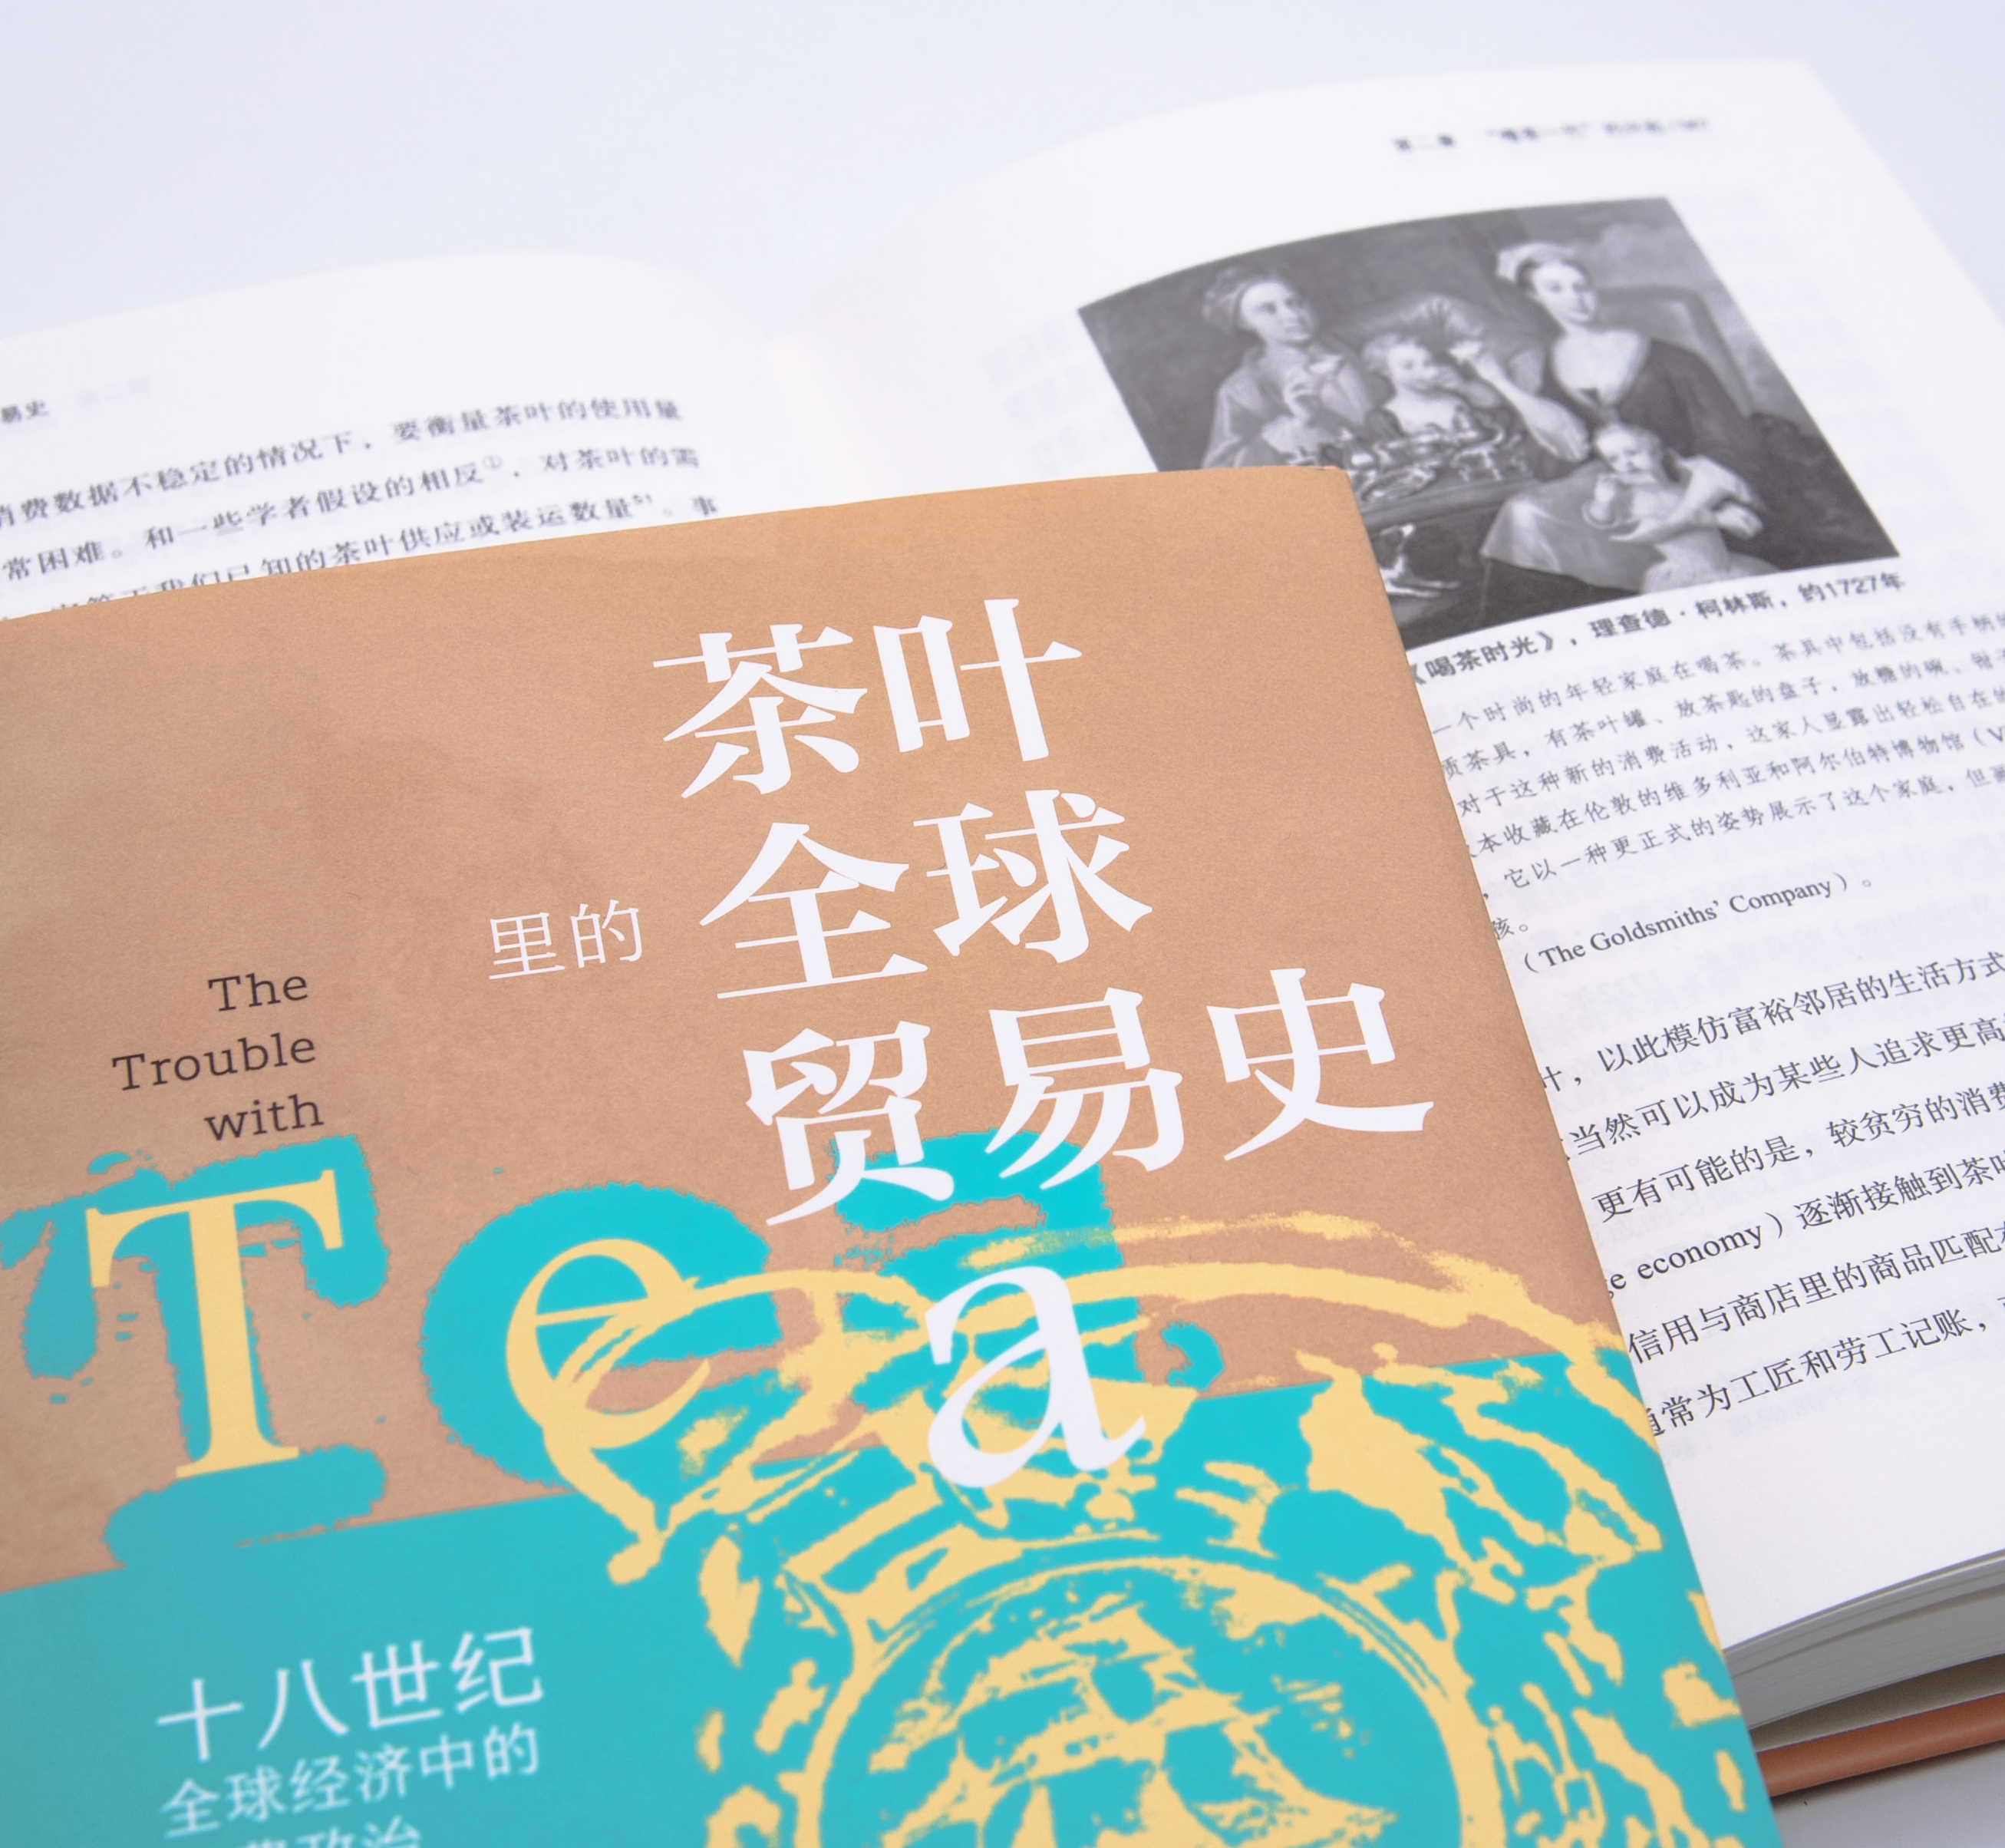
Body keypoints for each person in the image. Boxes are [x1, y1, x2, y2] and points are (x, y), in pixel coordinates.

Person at [1484, 241, 1887, 572]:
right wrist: (1506, 387)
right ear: (1534, 297)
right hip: (1624, 498)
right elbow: (1556, 460)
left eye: (1580, 286)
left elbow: (1732, 443)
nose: (1576, 299)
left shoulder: (1670, 358)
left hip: (1702, 491)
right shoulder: (1555, 370)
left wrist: (1684, 514)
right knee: (1526, 514)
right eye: (1556, 289)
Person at [1199, 266, 1377, 467]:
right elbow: (1221, 471)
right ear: (1244, 322)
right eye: (1269, 310)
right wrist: (1298, 424)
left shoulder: (1344, 344)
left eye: (1295, 303)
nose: (1293, 315)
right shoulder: (1240, 390)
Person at [1581, 423, 1775, 591]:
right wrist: (1603, 501)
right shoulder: (1630, 496)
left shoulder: (1684, 485)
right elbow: (1601, 520)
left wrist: (1723, 518)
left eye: (1632, 453)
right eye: (1614, 459)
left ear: (1656, 452)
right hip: (1685, 577)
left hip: (1727, 567)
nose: (1626, 462)